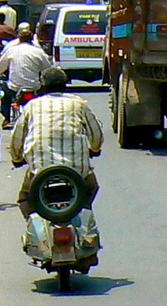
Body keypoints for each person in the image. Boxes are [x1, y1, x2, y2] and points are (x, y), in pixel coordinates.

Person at [9, 66, 103, 218]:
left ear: (42, 86)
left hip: (40, 171)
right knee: (91, 188)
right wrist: (95, 149)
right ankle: (83, 216)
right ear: (65, 86)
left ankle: (34, 229)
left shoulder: (32, 105)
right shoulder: (79, 104)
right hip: (77, 172)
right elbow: (96, 134)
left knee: (25, 198)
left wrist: (17, 158)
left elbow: (17, 137)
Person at [0, 24, 52, 127]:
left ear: (19, 39)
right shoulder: (38, 51)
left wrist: (0, 72)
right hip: (34, 87)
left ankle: (7, 119)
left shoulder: (11, 50)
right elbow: (48, 69)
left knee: (4, 94)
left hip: (14, 88)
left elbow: (0, 68)